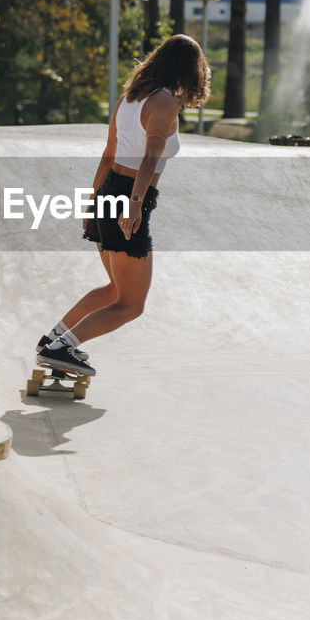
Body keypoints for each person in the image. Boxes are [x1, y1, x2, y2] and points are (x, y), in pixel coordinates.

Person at [35, 34, 210, 377]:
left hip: (108, 194)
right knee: (131, 304)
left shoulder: (129, 99)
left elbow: (109, 155)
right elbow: (150, 157)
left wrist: (92, 203)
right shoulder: (164, 103)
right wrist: (134, 204)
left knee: (115, 290)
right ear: (190, 71)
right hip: (130, 197)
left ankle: (53, 338)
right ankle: (62, 347)